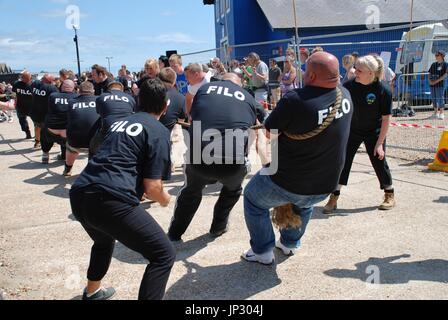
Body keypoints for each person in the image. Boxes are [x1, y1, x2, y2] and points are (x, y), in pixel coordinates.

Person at [241, 52, 353, 265]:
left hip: (289, 183)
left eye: (304, 70)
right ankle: (290, 244)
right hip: (325, 185)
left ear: (310, 75)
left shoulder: (295, 100)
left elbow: (269, 133)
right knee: (305, 203)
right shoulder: (345, 95)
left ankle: (263, 250)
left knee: (253, 198)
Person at [70, 78, 174, 300]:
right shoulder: (158, 130)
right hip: (110, 200)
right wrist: (165, 199)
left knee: (103, 240)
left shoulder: (120, 123)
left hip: (79, 193)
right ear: (165, 106)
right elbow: (153, 187)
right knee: (163, 255)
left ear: (137, 102)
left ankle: (93, 292)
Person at [167, 73, 259, 242]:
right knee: (233, 189)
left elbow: (193, 116)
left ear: (223, 80)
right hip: (232, 164)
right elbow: (263, 122)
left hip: (199, 159)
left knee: (190, 191)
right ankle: (218, 226)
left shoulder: (204, 89)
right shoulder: (248, 97)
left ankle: (174, 233)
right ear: (238, 84)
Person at [324, 55, 395, 214]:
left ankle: (389, 193)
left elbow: (386, 119)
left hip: (374, 131)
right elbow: (339, 108)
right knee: (343, 162)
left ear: (371, 73)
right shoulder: (349, 86)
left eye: (359, 70)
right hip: (352, 130)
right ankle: (334, 197)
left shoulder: (383, 90)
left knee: (379, 160)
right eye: (355, 68)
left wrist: (379, 144)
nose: (355, 71)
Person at [89, 82, 136, 157]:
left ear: (108, 89)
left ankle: (92, 164)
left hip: (108, 130)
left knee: (92, 146)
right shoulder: (130, 98)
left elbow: (98, 112)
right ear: (122, 90)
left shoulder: (101, 97)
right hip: (127, 131)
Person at [64, 81, 100, 176]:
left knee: (70, 148)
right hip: (95, 142)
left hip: (75, 141)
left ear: (79, 91)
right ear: (93, 91)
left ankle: (68, 168)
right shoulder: (99, 100)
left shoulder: (71, 102)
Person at [41, 80, 78, 164]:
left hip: (52, 130)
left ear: (61, 87)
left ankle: (45, 154)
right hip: (68, 133)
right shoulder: (77, 97)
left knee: (44, 131)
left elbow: (49, 110)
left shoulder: (53, 96)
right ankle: (64, 155)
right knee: (67, 127)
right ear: (73, 88)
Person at [31, 74, 59, 149]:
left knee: (37, 127)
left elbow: (31, 93)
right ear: (50, 81)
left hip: (35, 110)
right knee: (47, 129)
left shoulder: (35, 83)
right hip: (46, 112)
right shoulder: (52, 88)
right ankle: (49, 142)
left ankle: (37, 142)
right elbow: (56, 100)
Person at [158, 67, 186, 132]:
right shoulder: (180, 97)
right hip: (169, 135)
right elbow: (181, 120)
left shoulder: (149, 92)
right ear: (174, 81)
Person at [12, 71, 34, 139]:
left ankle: (38, 135)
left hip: (32, 106)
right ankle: (27, 133)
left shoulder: (33, 85)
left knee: (37, 122)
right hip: (20, 106)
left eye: (28, 78)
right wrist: (15, 102)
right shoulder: (17, 84)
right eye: (24, 77)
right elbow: (14, 94)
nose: (27, 79)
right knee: (22, 121)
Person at [428, 50, 447, 120]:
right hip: (432, 84)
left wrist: (436, 81)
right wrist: (430, 81)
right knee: (434, 98)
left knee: (440, 97)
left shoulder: (445, 64)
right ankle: (435, 113)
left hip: (440, 84)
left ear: (442, 56)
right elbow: (429, 73)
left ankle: (441, 113)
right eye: (435, 55)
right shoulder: (433, 64)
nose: (435, 56)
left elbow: (445, 75)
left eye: (437, 55)